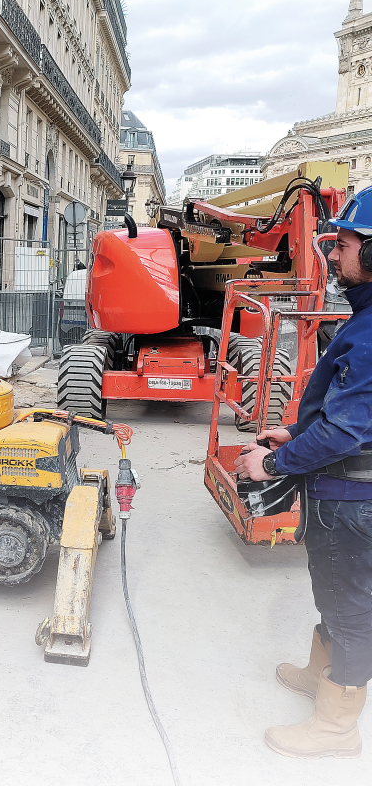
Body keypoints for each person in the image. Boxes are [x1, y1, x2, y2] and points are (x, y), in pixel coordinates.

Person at [234, 185, 372, 759]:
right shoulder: (365, 319)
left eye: (344, 245)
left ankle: (337, 727)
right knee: (334, 591)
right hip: (343, 491)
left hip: (353, 497)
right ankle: (322, 674)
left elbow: (346, 433)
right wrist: (295, 432)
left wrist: (271, 463)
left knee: (352, 608)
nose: (333, 255)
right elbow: (349, 412)